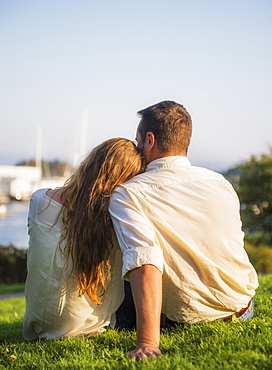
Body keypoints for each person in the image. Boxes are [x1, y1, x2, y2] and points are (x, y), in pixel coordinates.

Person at [109, 101, 259, 360]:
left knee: (116, 272)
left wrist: (148, 342)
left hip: (187, 317)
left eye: (137, 142)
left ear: (149, 140)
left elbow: (143, 261)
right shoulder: (220, 182)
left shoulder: (128, 193)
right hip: (241, 307)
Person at [23, 138, 144, 340]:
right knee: (140, 269)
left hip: (37, 327)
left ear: (89, 163)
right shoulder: (116, 219)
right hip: (90, 329)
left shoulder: (39, 201)